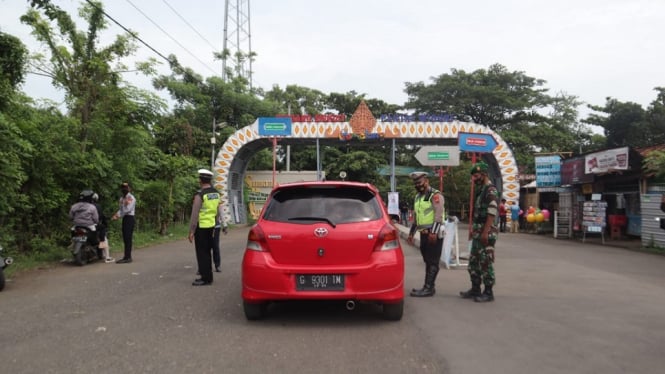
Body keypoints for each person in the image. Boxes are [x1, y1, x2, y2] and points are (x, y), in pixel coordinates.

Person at [460, 161, 499, 302]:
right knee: (473, 263)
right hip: (478, 231)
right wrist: (473, 230)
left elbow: (492, 212)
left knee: (485, 262)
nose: (474, 179)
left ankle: (488, 292)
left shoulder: (491, 190)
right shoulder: (481, 190)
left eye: (476, 176)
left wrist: (485, 232)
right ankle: (475, 289)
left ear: (484, 175)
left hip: (486, 232)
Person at [407, 171, 445, 297]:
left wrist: (433, 232)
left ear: (426, 181)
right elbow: (417, 217)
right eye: (415, 183)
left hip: (433, 233)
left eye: (419, 182)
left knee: (433, 261)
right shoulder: (417, 197)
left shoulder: (435, 195)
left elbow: (438, 215)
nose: (418, 185)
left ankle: (428, 288)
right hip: (423, 233)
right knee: (427, 260)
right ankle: (429, 287)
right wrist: (411, 234)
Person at [188, 169, 222, 286]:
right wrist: (217, 223)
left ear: (200, 181)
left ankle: (205, 278)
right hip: (212, 226)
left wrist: (191, 231)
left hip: (201, 227)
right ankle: (208, 277)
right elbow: (217, 210)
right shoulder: (216, 193)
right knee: (208, 251)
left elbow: (194, 214)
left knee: (202, 253)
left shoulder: (200, 195)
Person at [111, 182, 136, 264]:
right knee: (125, 238)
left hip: (129, 218)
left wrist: (118, 216)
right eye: (123, 188)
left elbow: (128, 209)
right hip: (125, 218)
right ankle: (126, 256)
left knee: (128, 238)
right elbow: (121, 209)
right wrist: (116, 215)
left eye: (126, 187)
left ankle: (128, 257)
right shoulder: (122, 199)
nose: (124, 189)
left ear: (129, 188)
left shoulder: (131, 198)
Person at [92, 193, 114, 263]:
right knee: (103, 237)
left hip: (81, 225)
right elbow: (101, 216)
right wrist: (105, 223)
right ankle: (107, 257)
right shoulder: (97, 206)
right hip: (94, 226)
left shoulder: (84, 206)